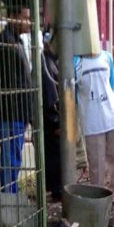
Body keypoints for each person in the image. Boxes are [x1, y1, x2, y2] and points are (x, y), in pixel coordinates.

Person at [0, 0, 33, 193]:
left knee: (14, 159)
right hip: (10, 113)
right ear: (13, 17)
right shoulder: (2, 44)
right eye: (25, 18)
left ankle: (10, 196)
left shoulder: (17, 41)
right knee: (10, 161)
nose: (29, 22)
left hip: (18, 113)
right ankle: (8, 200)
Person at [74, 50, 114, 205]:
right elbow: (74, 93)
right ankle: (98, 195)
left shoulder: (106, 56)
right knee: (96, 161)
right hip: (91, 118)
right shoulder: (75, 61)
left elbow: (110, 84)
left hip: (112, 115)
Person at [41, 33, 62, 201]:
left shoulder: (51, 62)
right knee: (54, 155)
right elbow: (49, 97)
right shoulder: (46, 64)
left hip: (51, 119)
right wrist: (55, 123)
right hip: (50, 121)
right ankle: (57, 189)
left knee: (54, 155)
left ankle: (56, 188)